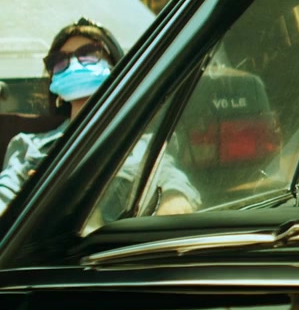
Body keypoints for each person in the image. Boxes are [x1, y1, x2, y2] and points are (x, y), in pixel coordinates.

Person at [0, 19, 201, 218]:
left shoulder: (144, 146)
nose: (73, 65)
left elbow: (176, 188)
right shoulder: (28, 146)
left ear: (115, 68)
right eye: (60, 60)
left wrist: (171, 202)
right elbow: (5, 194)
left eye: (88, 54)